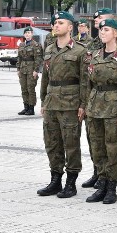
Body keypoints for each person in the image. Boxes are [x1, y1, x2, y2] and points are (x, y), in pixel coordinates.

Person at [37, 11, 87, 199]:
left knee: (71, 143)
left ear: (70, 27)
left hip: (70, 102)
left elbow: (84, 80)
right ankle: (55, 179)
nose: (56, 25)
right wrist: (43, 100)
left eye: (60, 23)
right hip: (51, 101)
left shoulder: (80, 51)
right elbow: (46, 77)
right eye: (54, 23)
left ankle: (71, 182)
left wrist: (83, 104)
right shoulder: (49, 48)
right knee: (52, 142)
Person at [84, 19, 117, 204]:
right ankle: (101, 183)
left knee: (112, 149)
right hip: (95, 107)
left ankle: (111, 187)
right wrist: (87, 106)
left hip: (113, 107)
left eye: (106, 29)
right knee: (97, 148)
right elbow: (89, 83)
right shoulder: (95, 55)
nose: (102, 32)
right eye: (101, 29)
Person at [80, 8, 115, 189]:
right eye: (96, 19)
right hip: (93, 101)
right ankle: (98, 172)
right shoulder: (92, 44)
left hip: (111, 104)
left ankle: (110, 177)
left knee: (110, 144)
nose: (97, 21)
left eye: (101, 19)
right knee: (94, 140)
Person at [16, 27, 43, 116]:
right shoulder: (21, 45)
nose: (27, 34)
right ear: (24, 35)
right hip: (23, 69)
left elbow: (38, 58)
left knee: (30, 88)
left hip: (31, 69)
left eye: (29, 33)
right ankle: (26, 107)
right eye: (26, 33)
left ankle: (31, 108)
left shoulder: (36, 45)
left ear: (32, 34)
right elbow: (19, 58)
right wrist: (18, 69)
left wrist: (36, 70)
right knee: (23, 88)